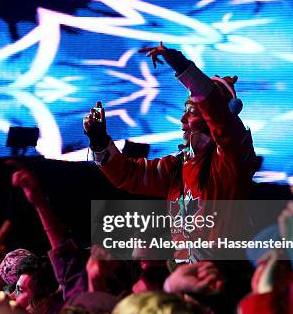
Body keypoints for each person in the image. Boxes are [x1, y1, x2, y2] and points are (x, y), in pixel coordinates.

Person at [84, 42, 256, 261]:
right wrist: (99, 142)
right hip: (185, 281)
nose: (182, 119)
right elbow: (130, 175)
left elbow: (221, 118)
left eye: (191, 112)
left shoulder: (232, 158)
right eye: (185, 112)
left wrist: (181, 65)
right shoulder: (178, 167)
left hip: (222, 280)